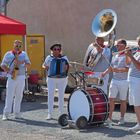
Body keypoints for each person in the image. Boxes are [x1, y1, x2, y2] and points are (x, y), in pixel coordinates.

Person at [101, 39, 129, 125]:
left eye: (118, 45)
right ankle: (109, 118)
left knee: (123, 100)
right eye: (116, 45)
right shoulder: (115, 56)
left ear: (124, 45)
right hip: (114, 80)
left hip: (124, 81)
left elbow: (128, 69)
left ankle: (122, 118)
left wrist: (118, 70)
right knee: (111, 99)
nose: (116, 46)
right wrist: (104, 73)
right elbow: (111, 67)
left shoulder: (127, 56)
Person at [1, 40, 31, 120]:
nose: (18, 47)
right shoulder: (8, 54)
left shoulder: (24, 54)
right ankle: (6, 114)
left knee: (19, 96)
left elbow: (28, 64)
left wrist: (21, 62)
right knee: (9, 96)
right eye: (16, 45)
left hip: (21, 76)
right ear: (13, 45)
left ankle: (17, 113)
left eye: (19, 46)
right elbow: (3, 65)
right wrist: (9, 71)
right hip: (12, 77)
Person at [42, 43, 69, 120]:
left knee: (61, 96)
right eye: (55, 49)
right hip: (51, 79)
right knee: (50, 96)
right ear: (52, 50)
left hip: (62, 79)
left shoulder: (64, 57)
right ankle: (49, 113)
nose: (57, 51)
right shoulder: (49, 57)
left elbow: (67, 66)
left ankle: (61, 113)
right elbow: (43, 65)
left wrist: (66, 67)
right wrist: (45, 67)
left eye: (58, 49)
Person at [125, 36, 140, 134]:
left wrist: (131, 56)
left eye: (139, 42)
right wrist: (127, 55)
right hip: (132, 81)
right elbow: (128, 64)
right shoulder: (137, 52)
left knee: (138, 104)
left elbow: (139, 67)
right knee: (135, 104)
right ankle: (139, 123)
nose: (138, 44)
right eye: (138, 42)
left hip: (138, 81)